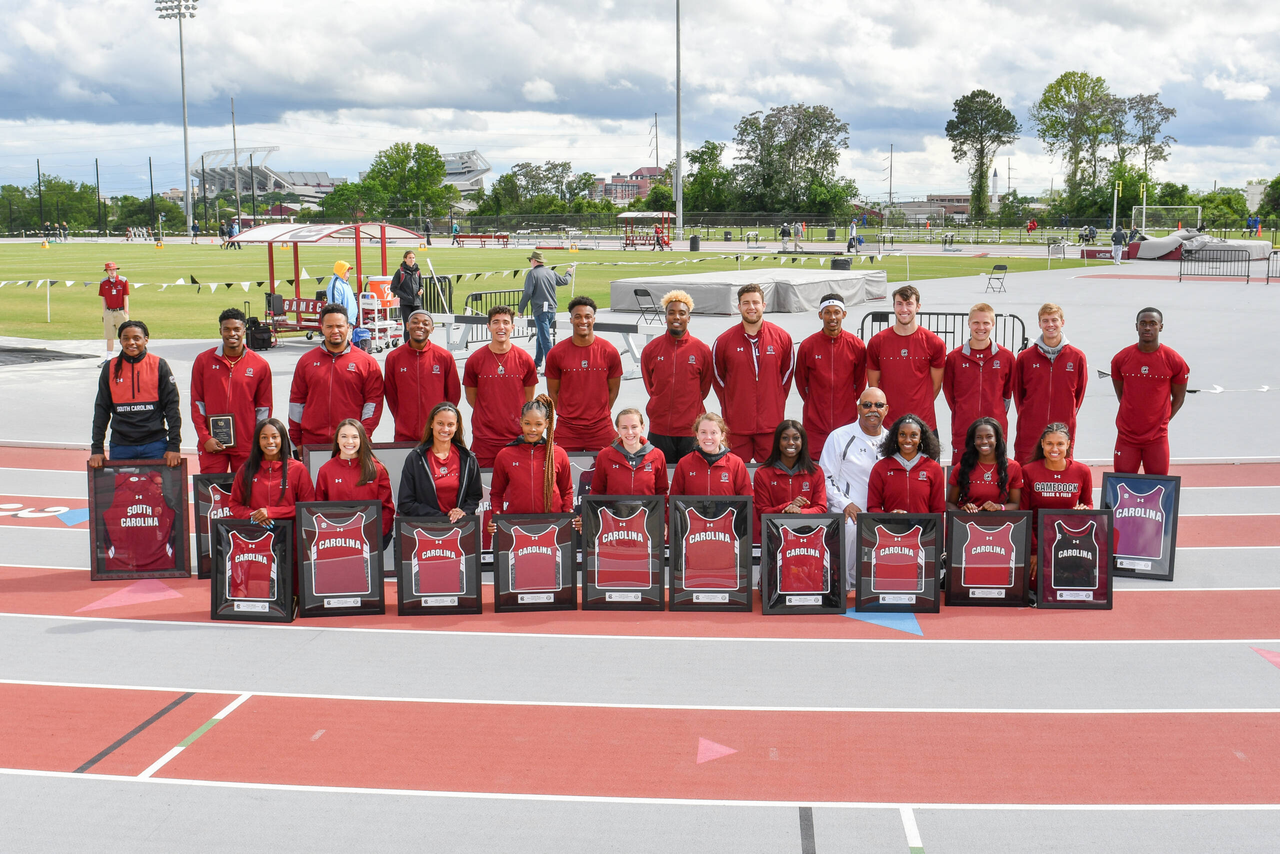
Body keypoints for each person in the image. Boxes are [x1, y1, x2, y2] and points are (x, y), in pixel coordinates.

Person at [711, 283, 795, 462]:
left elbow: (787, 374)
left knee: (771, 474)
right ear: (739, 306)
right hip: (737, 425)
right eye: (746, 303)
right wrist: (732, 403)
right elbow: (717, 377)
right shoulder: (724, 341)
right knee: (735, 474)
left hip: (771, 425)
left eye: (755, 302)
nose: (751, 307)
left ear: (763, 305)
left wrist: (776, 399)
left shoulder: (782, 338)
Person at [190, 307, 273, 474]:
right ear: (220, 330)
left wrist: (257, 438)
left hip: (246, 443)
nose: (232, 334)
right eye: (226, 329)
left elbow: (264, 408)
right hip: (212, 442)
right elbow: (197, 403)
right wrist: (205, 437)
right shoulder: (203, 361)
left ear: (243, 330)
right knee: (212, 488)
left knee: (247, 487)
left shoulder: (259, 365)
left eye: (236, 329)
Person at [287, 304, 384, 448]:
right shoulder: (306, 361)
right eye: (329, 326)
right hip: (313, 443)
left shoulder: (367, 362)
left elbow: (373, 402)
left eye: (339, 326)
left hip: (351, 442)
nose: (335, 331)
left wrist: (363, 434)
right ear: (322, 328)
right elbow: (296, 401)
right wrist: (296, 440)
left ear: (348, 327)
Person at [89, 320, 183, 468]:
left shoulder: (159, 365)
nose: (131, 342)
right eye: (126, 338)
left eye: (136, 338)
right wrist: (97, 449)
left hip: (155, 445)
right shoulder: (110, 368)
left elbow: (172, 409)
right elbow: (101, 410)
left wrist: (174, 446)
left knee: (157, 484)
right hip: (121, 446)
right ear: (120, 340)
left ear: (146, 340)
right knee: (122, 484)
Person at [820, 387, 889, 583]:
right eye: (867, 405)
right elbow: (826, 477)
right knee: (851, 527)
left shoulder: (893, 439)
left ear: (886, 410)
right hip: (848, 507)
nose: (873, 409)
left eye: (878, 405)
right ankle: (842, 584)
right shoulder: (839, 437)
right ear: (858, 408)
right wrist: (845, 504)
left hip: (881, 509)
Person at [1110, 307, 1189, 475]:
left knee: (1158, 484)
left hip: (1157, 439)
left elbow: (1179, 398)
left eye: (1153, 323)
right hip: (1126, 437)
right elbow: (1122, 395)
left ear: (1161, 327)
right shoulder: (1121, 359)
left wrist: (1162, 421)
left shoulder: (1174, 360)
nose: (1147, 328)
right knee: (1123, 483)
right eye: (1143, 323)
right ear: (1136, 326)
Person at [640, 289, 713, 464]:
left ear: (689, 317)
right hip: (660, 429)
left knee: (691, 476)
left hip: (691, 430)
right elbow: (651, 386)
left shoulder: (702, 350)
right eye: (671, 313)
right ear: (665, 317)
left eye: (682, 313)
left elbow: (704, 388)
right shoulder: (651, 349)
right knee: (660, 475)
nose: (676, 317)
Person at [463, 305, 538, 466]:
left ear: (513, 326)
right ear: (488, 326)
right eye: (496, 322)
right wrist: (489, 414)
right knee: (484, 480)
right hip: (485, 438)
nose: (501, 327)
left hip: (516, 436)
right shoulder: (475, 360)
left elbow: (528, 398)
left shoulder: (525, 359)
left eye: (505, 322)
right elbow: (472, 398)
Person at [1012, 303, 1088, 464]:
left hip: (1063, 427)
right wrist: (1029, 413)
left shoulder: (1077, 357)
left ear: (1062, 322)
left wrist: (1066, 412)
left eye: (1054, 320)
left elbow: (1078, 394)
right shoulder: (1025, 357)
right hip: (1031, 428)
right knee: (1026, 471)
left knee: (1060, 471)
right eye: (1045, 321)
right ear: (1039, 324)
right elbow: (1018, 394)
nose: (1050, 325)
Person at [545, 296, 622, 452]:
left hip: (601, 427)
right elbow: (553, 392)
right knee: (556, 465)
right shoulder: (556, 353)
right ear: (571, 320)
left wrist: (599, 413)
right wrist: (567, 415)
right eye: (578, 317)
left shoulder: (609, 351)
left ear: (593, 319)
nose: (583, 321)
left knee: (613, 464)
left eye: (587, 316)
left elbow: (613, 390)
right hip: (567, 429)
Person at [866, 285, 946, 436]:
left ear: (918, 307)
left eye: (909, 304)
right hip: (888, 425)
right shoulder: (877, 342)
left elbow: (936, 386)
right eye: (899, 304)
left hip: (924, 424)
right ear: (893, 306)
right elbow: (873, 385)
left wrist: (919, 405)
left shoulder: (934, 343)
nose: (904, 309)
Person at [794, 293, 867, 458]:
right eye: (827, 312)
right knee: (815, 466)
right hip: (815, 423)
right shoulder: (808, 346)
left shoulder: (856, 346)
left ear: (844, 314)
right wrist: (814, 403)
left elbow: (861, 382)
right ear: (820, 315)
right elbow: (801, 381)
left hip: (846, 421)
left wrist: (846, 402)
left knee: (846, 463)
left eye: (836, 312)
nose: (832, 317)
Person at [942, 302, 1015, 460]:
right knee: (963, 472)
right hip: (964, 428)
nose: (981, 327)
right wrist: (963, 411)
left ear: (993, 324)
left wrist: (995, 412)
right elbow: (949, 393)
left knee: (995, 471)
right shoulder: (954, 358)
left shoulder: (1006, 357)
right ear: (969, 323)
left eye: (986, 323)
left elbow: (1007, 394)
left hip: (995, 428)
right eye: (976, 322)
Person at [489, 395, 575, 519]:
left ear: (546, 423)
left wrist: (568, 514)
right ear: (521, 422)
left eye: (538, 424)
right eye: (527, 423)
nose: (532, 429)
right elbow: (496, 493)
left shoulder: (559, 454)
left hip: (553, 523)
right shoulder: (505, 455)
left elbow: (567, 492)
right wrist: (497, 516)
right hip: (516, 523)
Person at [383, 310, 460, 443]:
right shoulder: (394, 357)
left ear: (432, 329)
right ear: (407, 326)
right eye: (415, 322)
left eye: (425, 323)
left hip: (437, 433)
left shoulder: (444, 357)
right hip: (405, 434)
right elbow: (391, 394)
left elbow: (453, 394)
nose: (420, 326)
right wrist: (402, 418)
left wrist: (443, 420)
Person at [1020, 422, 1093, 562]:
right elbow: (1024, 514)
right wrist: (1033, 550)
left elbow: (1088, 504)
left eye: (1060, 444)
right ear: (1042, 443)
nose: (1054, 449)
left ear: (1068, 444)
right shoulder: (1028, 471)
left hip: (1070, 540)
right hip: (1038, 540)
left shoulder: (1082, 471)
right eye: (1049, 443)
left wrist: (1085, 509)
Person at [398, 402, 482, 521]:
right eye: (440, 423)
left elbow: (474, 497)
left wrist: (462, 511)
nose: (445, 429)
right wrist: (441, 518)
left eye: (450, 424)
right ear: (432, 423)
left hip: (459, 527)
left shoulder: (468, 458)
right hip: (426, 526)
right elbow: (406, 502)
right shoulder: (415, 458)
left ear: (456, 427)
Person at [315, 419, 396, 542]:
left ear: (361, 439)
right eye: (344, 436)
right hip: (336, 539)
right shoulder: (325, 471)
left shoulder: (377, 469)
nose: (349, 441)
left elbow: (387, 508)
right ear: (337, 439)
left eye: (354, 437)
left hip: (371, 538)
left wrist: (377, 533)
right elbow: (319, 509)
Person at [228, 418, 315, 523]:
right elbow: (234, 504)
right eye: (264, 437)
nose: (270, 441)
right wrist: (255, 516)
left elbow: (308, 507)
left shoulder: (298, 469)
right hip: (257, 531)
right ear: (258, 441)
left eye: (274, 437)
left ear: (282, 439)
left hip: (291, 532)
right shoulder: (246, 469)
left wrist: (271, 512)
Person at [753, 420, 828, 537]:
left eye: (796, 438)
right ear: (778, 441)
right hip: (774, 535)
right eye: (785, 438)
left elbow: (821, 508)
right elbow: (762, 512)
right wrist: (787, 506)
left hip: (809, 533)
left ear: (803, 441)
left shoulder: (815, 471)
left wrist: (800, 512)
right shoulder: (762, 473)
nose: (791, 442)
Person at [865, 414, 945, 514]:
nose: (907, 440)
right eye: (902, 434)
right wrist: (889, 518)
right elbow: (873, 507)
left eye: (913, 435)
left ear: (921, 438)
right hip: (890, 524)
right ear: (896, 437)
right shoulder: (881, 467)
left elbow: (938, 510)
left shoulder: (933, 468)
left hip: (924, 525)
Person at [947, 417, 1022, 512]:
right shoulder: (962, 466)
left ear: (997, 439)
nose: (984, 441)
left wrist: (999, 507)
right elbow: (950, 503)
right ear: (973, 441)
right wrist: (963, 511)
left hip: (1000, 520)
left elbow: (1015, 504)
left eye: (989, 436)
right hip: (968, 520)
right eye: (979, 437)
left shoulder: (1013, 467)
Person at [669, 412, 752, 497]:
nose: (708, 437)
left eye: (713, 432)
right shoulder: (684, 463)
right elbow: (674, 500)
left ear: (722, 435)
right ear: (697, 435)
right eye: (703, 432)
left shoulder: (736, 464)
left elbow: (748, 499)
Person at [590, 408, 669, 496]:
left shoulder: (657, 455)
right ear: (618, 430)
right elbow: (596, 492)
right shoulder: (604, 455)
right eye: (624, 428)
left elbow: (662, 493)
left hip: (648, 506)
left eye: (634, 427)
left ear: (642, 428)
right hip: (614, 505)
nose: (630, 432)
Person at [518, 250, 574, 370]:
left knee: (544, 338)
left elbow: (527, 292)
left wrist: (521, 309)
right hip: (552, 309)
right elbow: (565, 281)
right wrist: (569, 273)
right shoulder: (551, 272)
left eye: (530, 260)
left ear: (534, 260)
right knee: (541, 336)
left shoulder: (532, 274)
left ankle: (551, 366)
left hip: (540, 310)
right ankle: (537, 363)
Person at [99, 262, 130, 356]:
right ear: (106, 271)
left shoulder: (123, 280)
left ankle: (125, 355)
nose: (112, 272)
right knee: (109, 336)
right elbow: (103, 298)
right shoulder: (103, 282)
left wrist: (126, 311)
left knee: (124, 335)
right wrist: (104, 312)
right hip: (109, 312)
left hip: (120, 311)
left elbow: (125, 296)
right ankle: (109, 357)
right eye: (110, 270)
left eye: (113, 269)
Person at [388, 250, 423, 327]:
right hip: (406, 304)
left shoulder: (417, 272)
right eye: (409, 258)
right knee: (408, 326)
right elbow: (393, 288)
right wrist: (405, 296)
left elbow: (421, 285)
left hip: (417, 303)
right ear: (405, 259)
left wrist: (421, 290)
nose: (412, 260)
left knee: (419, 325)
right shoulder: (400, 272)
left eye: (413, 258)